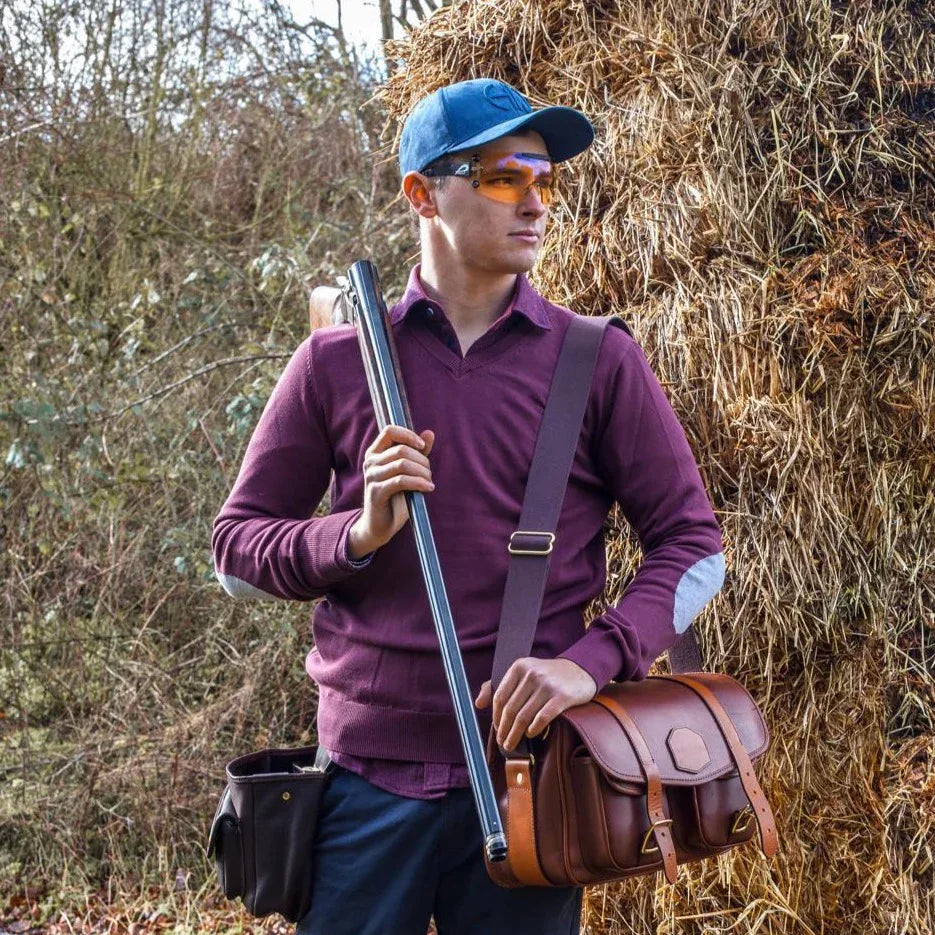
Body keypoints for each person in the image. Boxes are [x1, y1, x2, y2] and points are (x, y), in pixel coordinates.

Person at [212, 77, 726, 935]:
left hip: (536, 779)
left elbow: (694, 546)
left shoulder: (596, 360)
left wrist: (592, 661)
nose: (534, 200)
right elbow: (233, 556)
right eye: (502, 177)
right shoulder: (336, 363)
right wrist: (358, 530)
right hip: (362, 788)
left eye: (544, 178)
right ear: (422, 192)